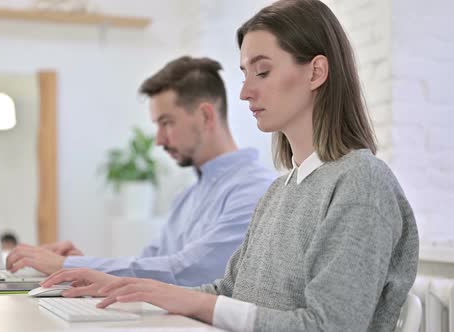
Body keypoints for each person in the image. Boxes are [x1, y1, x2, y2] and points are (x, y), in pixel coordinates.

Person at [39, 1, 420, 331]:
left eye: (263, 71)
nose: (244, 91)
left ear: (316, 72)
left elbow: (329, 326)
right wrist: (134, 290)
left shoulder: (361, 183)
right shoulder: (279, 191)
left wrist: (192, 302)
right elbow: (227, 292)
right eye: (244, 74)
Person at [6, 56, 276, 286]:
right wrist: (83, 269)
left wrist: (69, 265)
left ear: (205, 116)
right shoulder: (188, 197)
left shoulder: (255, 191)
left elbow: (188, 272)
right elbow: (149, 265)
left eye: (166, 123)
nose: (159, 140)